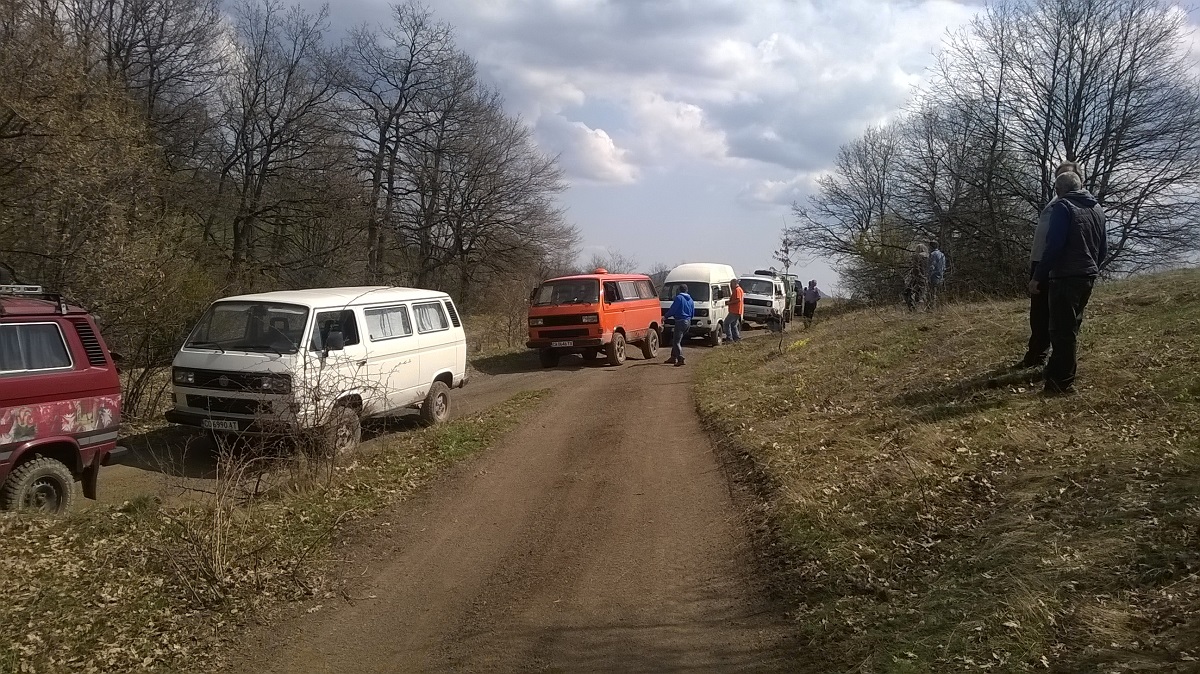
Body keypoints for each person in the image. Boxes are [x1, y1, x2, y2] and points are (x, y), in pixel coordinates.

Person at [1028, 171, 1106, 395]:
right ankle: (1054, 373)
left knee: (1061, 331)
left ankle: (1061, 383)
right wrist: (1092, 268)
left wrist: (1038, 276)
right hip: (1087, 276)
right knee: (1070, 328)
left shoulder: (1063, 207)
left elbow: (1054, 245)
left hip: (1065, 277)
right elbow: (1103, 247)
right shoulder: (1096, 208)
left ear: (1059, 190)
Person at [1018, 160, 1083, 369]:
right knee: (1038, 314)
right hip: (1040, 261)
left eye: (1066, 175)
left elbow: (1059, 241)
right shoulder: (1055, 201)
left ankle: (1050, 361)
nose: (1061, 180)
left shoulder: (1071, 204)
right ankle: (1035, 355)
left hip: (1055, 265)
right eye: (1058, 177)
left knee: (1054, 316)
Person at [665, 284, 694, 366]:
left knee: (676, 341)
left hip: (680, 321)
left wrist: (666, 316)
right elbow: (692, 312)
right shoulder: (691, 299)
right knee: (677, 340)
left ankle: (680, 358)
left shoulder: (679, 298)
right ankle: (673, 357)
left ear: (679, 290)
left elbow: (673, 309)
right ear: (687, 290)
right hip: (688, 321)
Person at [903, 243, 929, 311]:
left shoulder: (916, 256)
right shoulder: (928, 256)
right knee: (921, 294)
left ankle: (913, 308)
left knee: (907, 293)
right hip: (925, 278)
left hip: (917, 278)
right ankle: (922, 309)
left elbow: (916, 268)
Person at [927, 242, 946, 310]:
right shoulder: (942, 254)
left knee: (933, 292)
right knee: (939, 292)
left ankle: (932, 308)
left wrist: (928, 274)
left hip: (934, 276)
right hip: (941, 275)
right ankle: (940, 307)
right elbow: (944, 266)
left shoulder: (933, 254)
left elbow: (932, 266)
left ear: (931, 247)